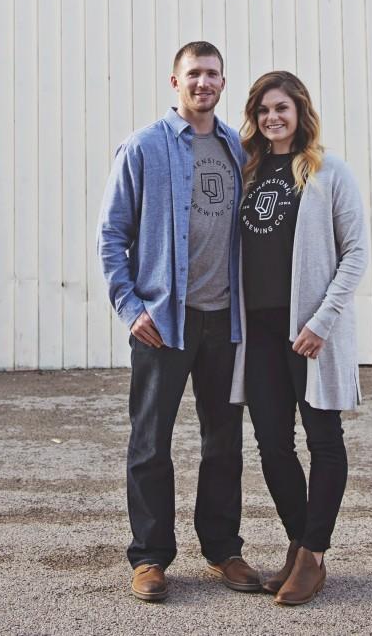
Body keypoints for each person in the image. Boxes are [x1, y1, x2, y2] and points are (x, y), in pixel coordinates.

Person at [97, 41, 261, 602]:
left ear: (223, 82)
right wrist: (131, 307)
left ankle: (222, 550)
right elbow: (111, 235)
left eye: (212, 74)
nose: (203, 83)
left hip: (226, 321)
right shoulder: (144, 147)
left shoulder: (238, 149)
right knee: (150, 442)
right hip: (164, 322)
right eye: (193, 73)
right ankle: (149, 558)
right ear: (175, 82)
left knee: (224, 443)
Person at [230, 70, 368, 606]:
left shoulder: (328, 171)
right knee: (272, 445)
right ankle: (298, 542)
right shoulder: (247, 171)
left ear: (300, 112)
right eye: (263, 110)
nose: (272, 117)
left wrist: (321, 322)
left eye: (281, 108)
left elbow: (355, 253)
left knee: (323, 440)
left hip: (309, 332)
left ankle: (313, 554)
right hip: (260, 332)